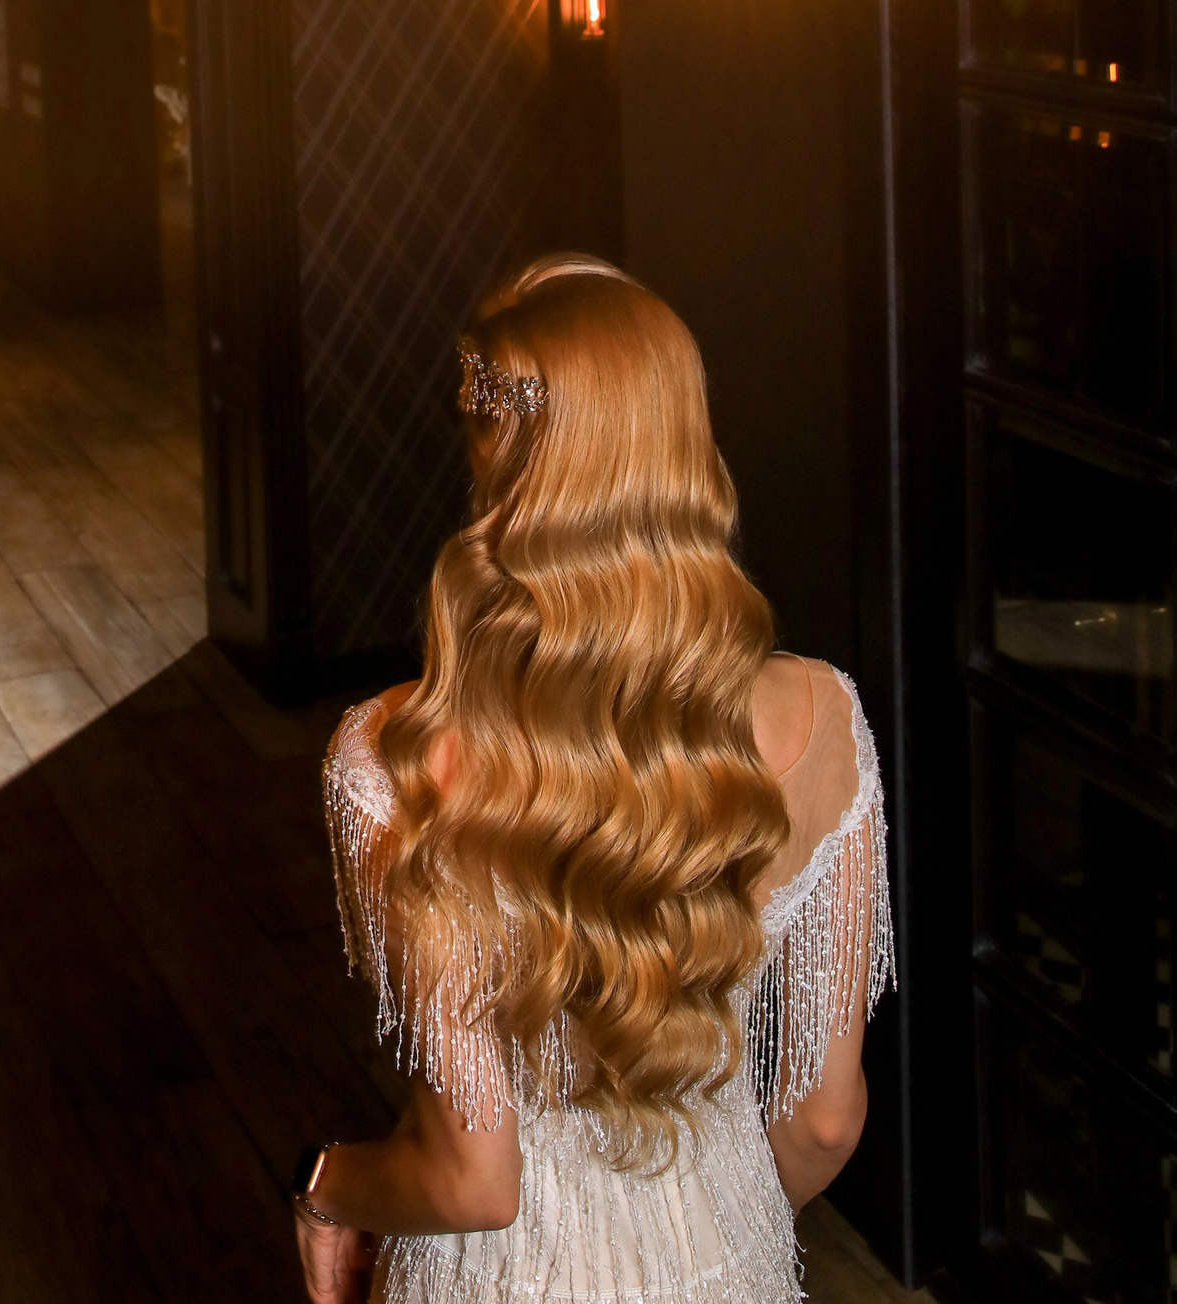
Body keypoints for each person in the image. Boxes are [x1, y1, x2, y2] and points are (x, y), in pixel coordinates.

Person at [291, 255, 891, 1304]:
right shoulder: (825, 719)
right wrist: (713, 1236)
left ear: (494, 461)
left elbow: (473, 1182)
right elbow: (828, 1120)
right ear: (684, 442)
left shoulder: (388, 760)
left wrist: (326, 1186)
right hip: (728, 1259)